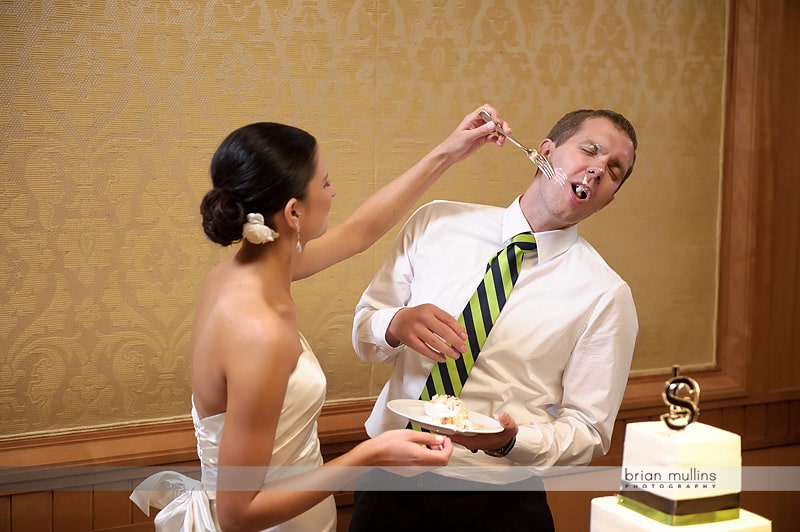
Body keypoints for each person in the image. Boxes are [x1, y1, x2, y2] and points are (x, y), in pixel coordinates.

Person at [129, 104, 513, 532]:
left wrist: (448, 152)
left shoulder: (240, 272)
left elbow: (358, 231)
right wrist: (367, 455)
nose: (334, 191)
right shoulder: (261, 331)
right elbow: (238, 514)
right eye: (325, 182)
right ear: (293, 212)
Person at [349, 109, 639, 531]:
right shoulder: (437, 222)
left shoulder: (606, 295)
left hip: (498, 504)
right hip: (387, 478)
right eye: (590, 150)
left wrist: (510, 442)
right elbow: (363, 332)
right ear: (545, 153)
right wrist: (393, 325)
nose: (597, 169)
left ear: (609, 197)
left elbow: (589, 430)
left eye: (613, 170)